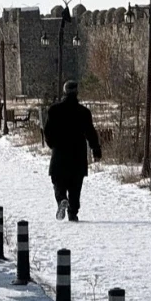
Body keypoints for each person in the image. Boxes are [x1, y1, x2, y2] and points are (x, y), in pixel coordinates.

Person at [43, 80, 101, 221]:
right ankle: (73, 212)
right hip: (78, 154)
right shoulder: (84, 112)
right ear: (77, 92)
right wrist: (96, 148)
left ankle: (62, 199)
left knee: (58, 182)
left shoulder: (54, 110)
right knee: (75, 185)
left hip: (60, 153)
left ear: (64, 91)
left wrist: (52, 145)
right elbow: (90, 132)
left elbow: (47, 131)